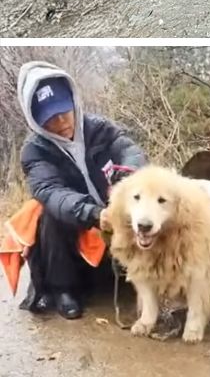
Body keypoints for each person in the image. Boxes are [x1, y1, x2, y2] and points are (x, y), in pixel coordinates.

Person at [17, 60, 146, 319]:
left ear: (74, 101)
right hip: (77, 231)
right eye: (49, 118)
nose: (61, 121)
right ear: (36, 121)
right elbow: (52, 192)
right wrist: (95, 214)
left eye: (63, 110)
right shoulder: (35, 152)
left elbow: (131, 151)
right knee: (47, 213)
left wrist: (125, 181)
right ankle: (63, 289)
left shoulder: (100, 129)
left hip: (114, 222)